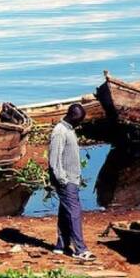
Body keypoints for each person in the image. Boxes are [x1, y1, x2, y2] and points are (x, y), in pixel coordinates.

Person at [48, 103, 94, 260]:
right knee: (74, 212)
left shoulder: (69, 129)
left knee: (65, 212)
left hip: (71, 179)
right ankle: (80, 250)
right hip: (65, 181)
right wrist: (62, 180)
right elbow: (54, 159)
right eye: (79, 120)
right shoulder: (60, 131)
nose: (80, 123)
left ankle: (61, 246)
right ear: (73, 116)